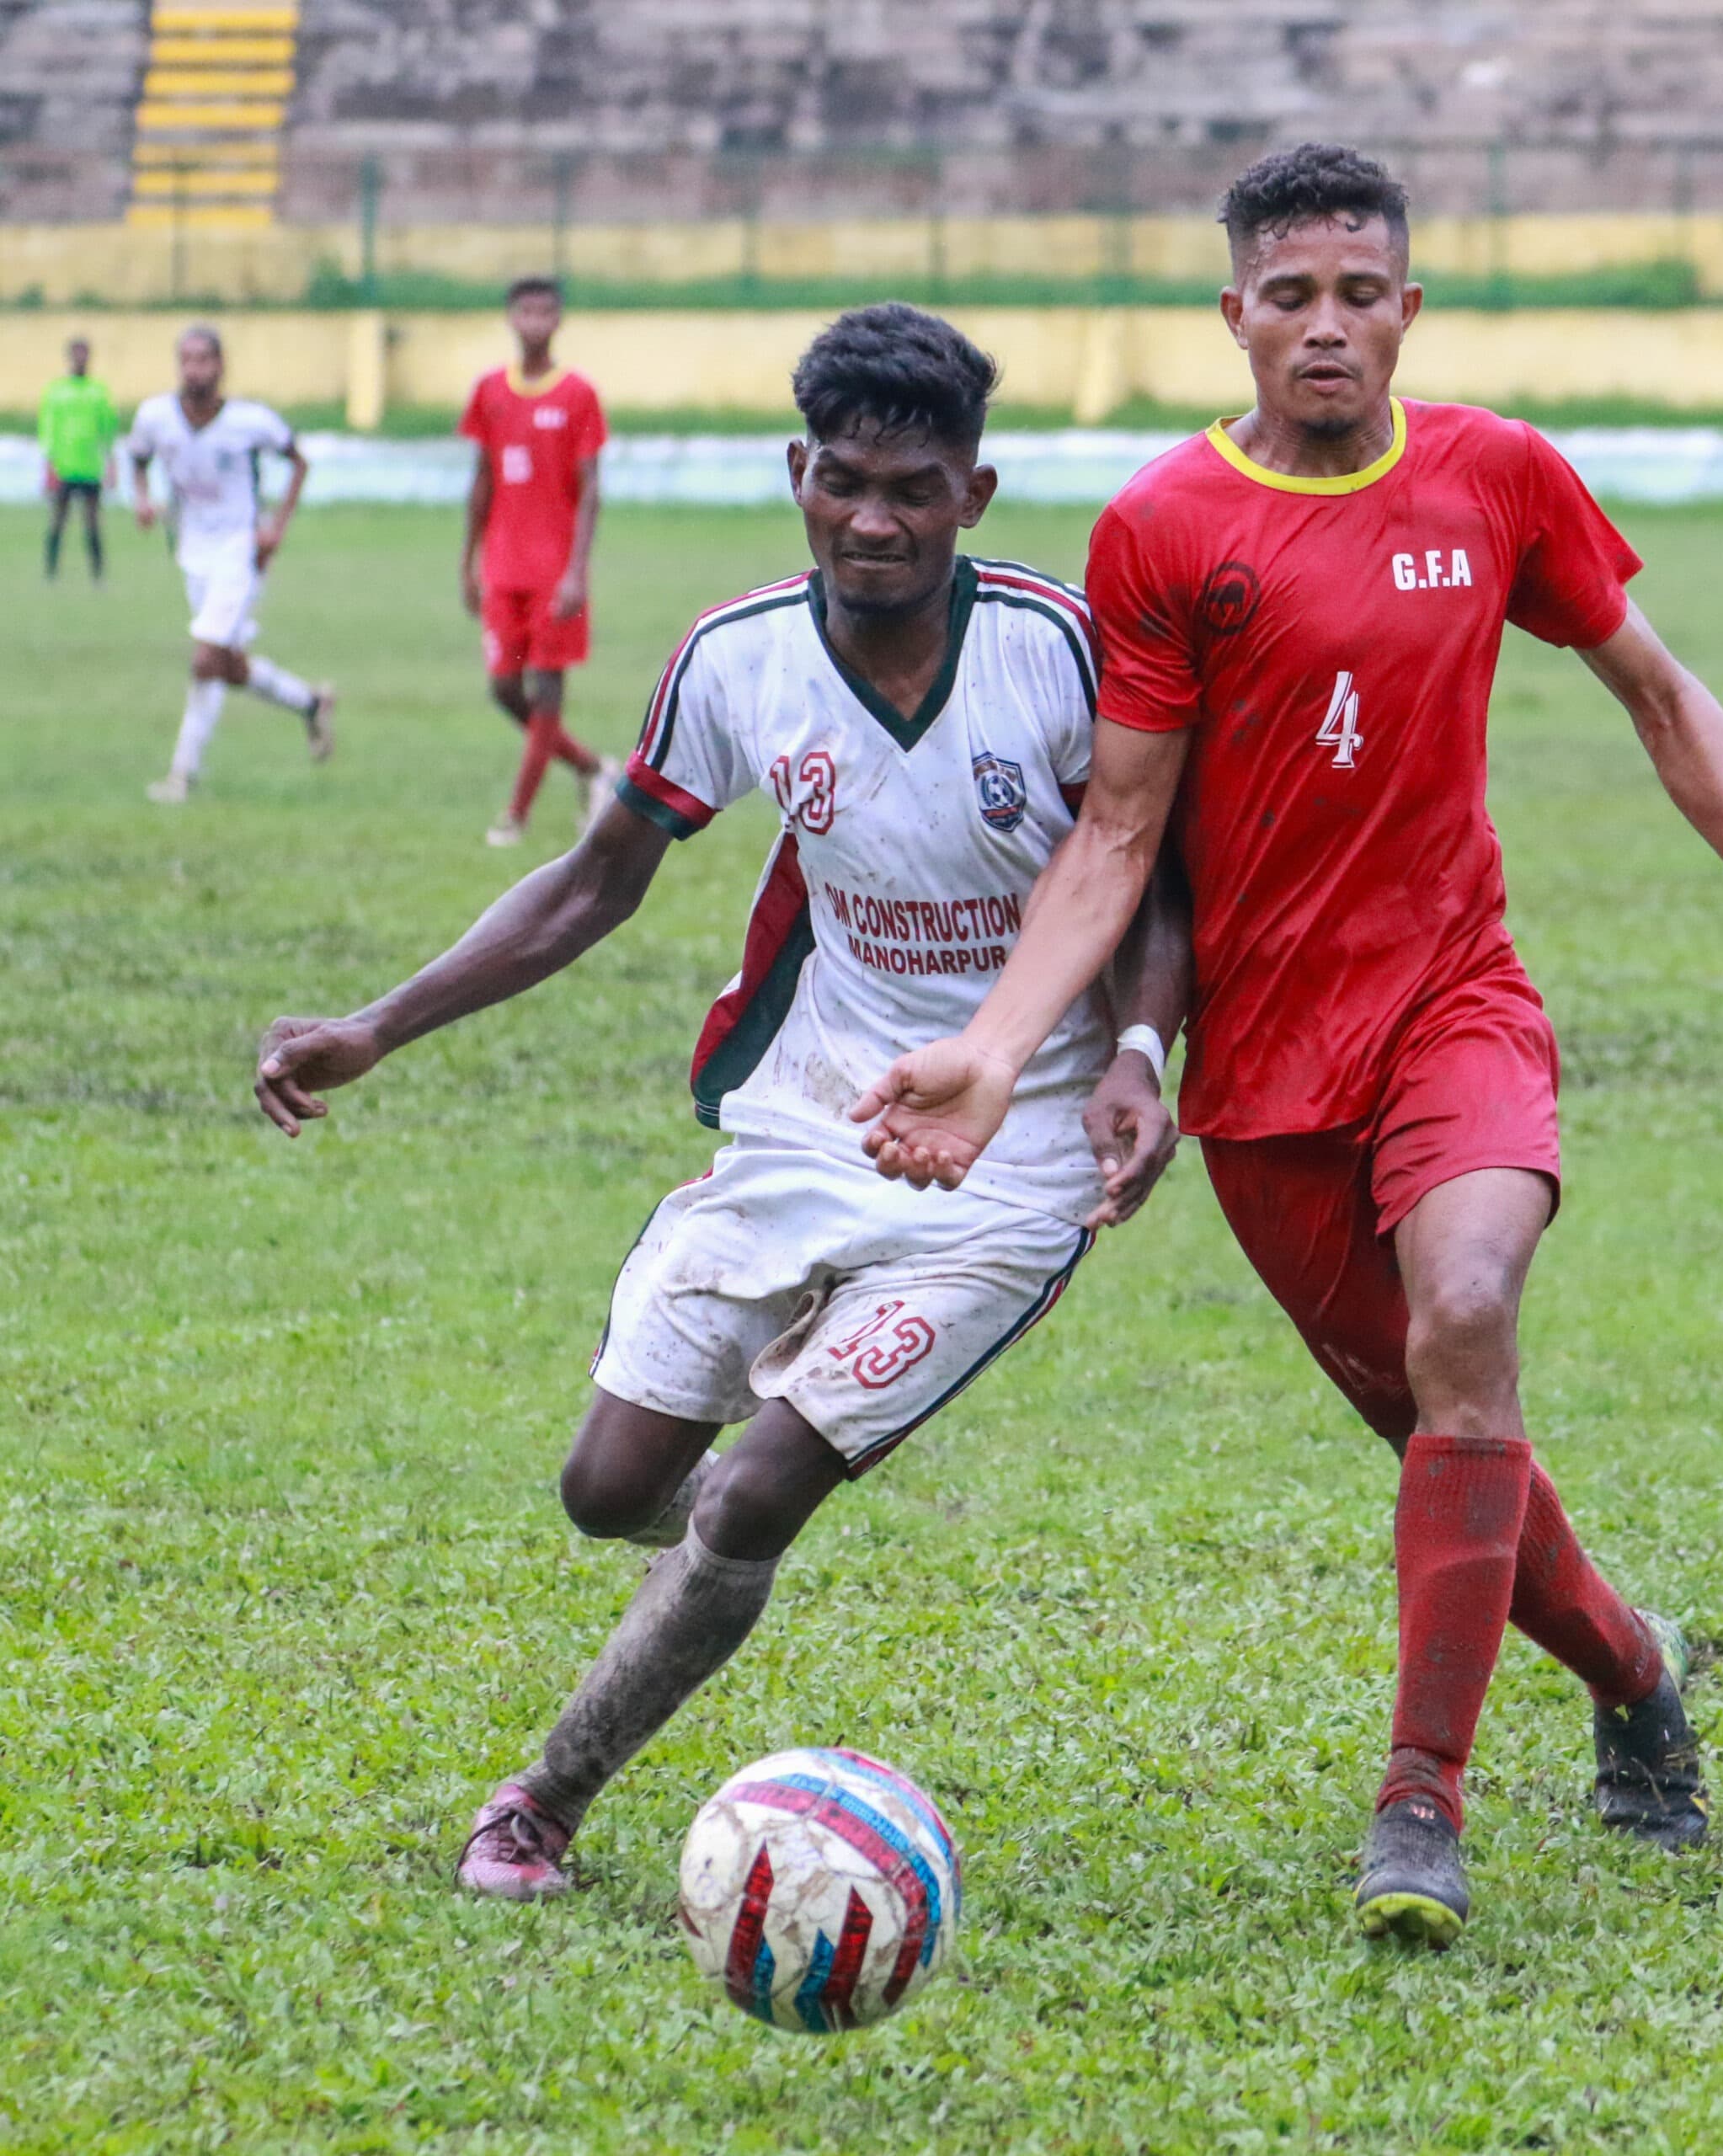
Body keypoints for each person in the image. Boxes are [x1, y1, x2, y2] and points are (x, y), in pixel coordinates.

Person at [854, 145, 1723, 1951]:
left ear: (1406, 310)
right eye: (1290, 297)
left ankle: (1416, 1800)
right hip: (1266, 1072)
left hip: (1456, 1002)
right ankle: (1629, 1664)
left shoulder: (1494, 474)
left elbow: (1659, 695)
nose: (1327, 326)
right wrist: (994, 1046)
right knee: (1437, 1426)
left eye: (1360, 294)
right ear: (1235, 318)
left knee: (1466, 1316)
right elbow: (1118, 835)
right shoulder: (1163, 529)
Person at [251, 304, 1188, 1901]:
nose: (871, 520)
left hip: (1014, 1159)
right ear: (796, 472)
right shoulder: (738, 659)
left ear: (975, 489)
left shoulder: (1056, 643)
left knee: (755, 1484)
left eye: (911, 487)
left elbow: (1147, 874)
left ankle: (538, 1805)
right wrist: (378, 1027)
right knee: (608, 1491)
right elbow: (593, 883)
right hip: (810, 1110)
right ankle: (731, 1555)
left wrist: (1137, 1054)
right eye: (840, 482)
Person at [127, 324, 335, 803]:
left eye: (204, 359)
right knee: (225, 662)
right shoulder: (156, 416)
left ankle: (182, 775)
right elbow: (137, 458)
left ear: (221, 366)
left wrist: (275, 529)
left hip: (240, 549)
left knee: (205, 659)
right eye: (187, 359)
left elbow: (299, 461)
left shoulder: (250, 421)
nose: (195, 369)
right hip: (191, 551)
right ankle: (310, 702)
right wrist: (141, 499)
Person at [460, 275, 619, 847]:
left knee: (548, 692)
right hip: (503, 569)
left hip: (555, 573)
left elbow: (591, 487)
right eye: (524, 311)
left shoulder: (578, 395)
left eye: (545, 312)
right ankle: (594, 770)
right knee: (504, 690)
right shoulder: (489, 392)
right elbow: (480, 481)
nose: (534, 321)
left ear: (558, 321)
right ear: (509, 317)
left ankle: (516, 815)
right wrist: (468, 562)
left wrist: (577, 570)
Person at [39, 336, 120, 582]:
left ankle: (98, 574)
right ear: (70, 357)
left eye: (84, 354)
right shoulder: (56, 391)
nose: (81, 359)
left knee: (93, 523)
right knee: (58, 521)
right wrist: (49, 463)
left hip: (90, 466)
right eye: (77, 354)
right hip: (64, 465)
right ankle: (50, 572)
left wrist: (111, 462)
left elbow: (108, 429)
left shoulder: (98, 390)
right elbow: (47, 428)